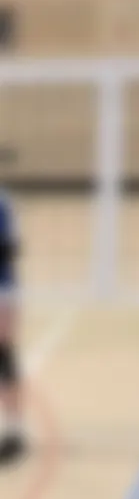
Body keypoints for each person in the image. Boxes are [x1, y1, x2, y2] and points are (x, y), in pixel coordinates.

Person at [0, 191, 21, 464]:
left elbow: (9, 249)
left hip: (3, 292)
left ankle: (15, 432)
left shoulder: (2, 204)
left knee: (4, 357)